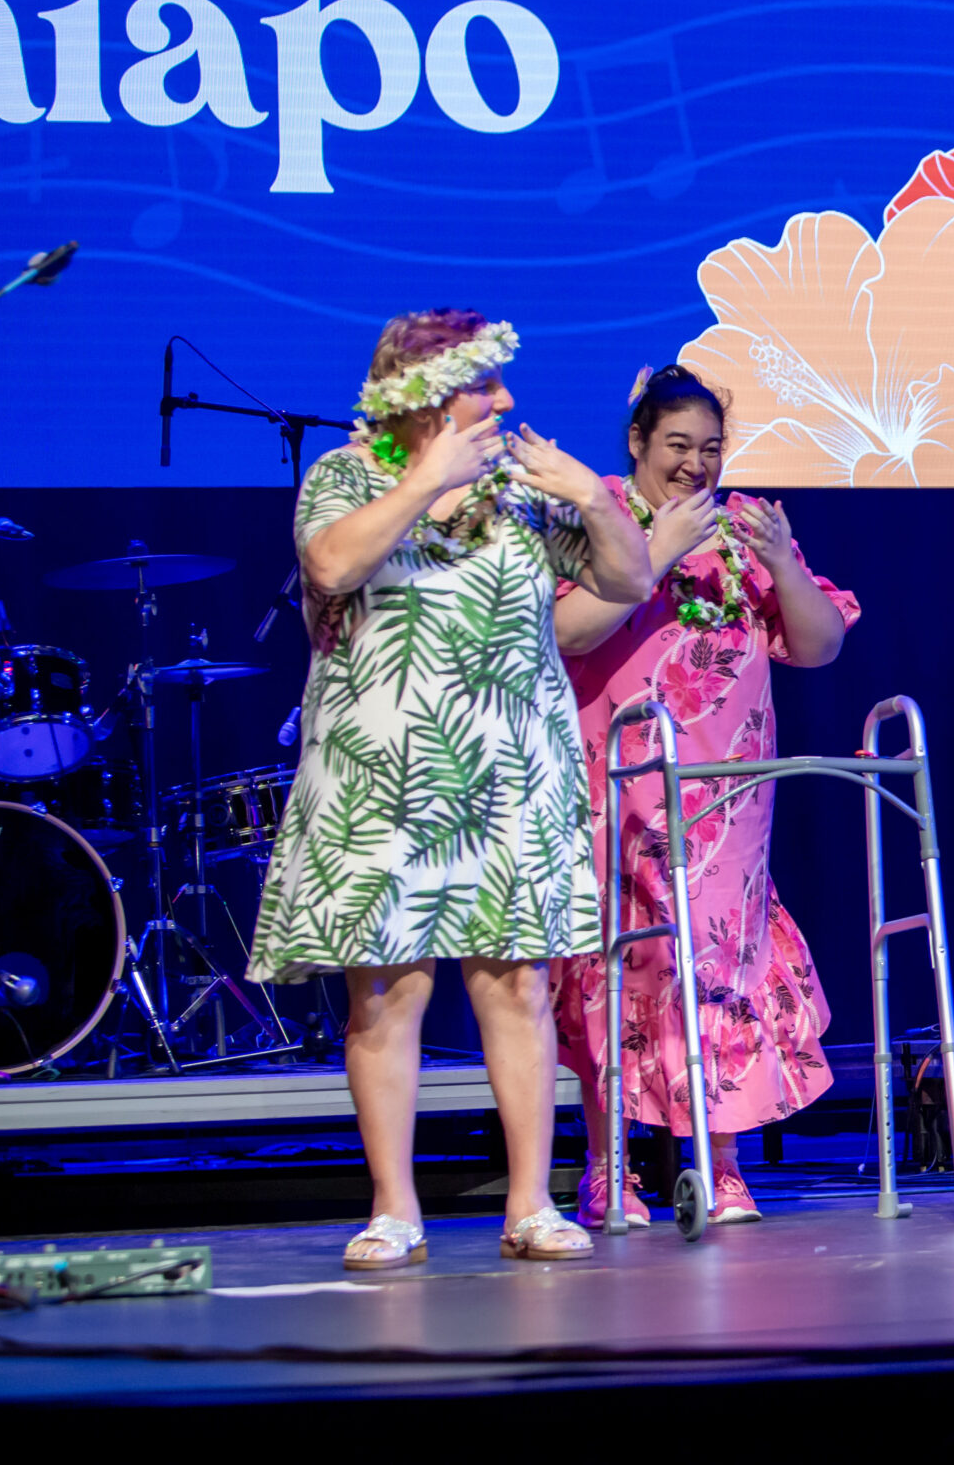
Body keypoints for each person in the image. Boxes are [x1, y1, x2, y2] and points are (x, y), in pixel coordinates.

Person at [246, 308, 653, 1268]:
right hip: (381, 776)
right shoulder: (346, 475)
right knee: (387, 992)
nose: (505, 400)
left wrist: (592, 498)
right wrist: (426, 479)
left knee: (518, 983)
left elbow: (631, 580)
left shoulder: (519, 491)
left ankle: (530, 1203)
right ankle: (394, 1208)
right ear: (426, 394)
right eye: (484, 384)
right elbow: (330, 563)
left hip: (510, 771)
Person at [552, 366, 859, 1228]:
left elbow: (818, 644)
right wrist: (654, 551)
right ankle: (608, 1164)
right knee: (616, 963)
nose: (696, 464)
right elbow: (564, 631)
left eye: (711, 448)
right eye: (678, 445)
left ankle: (720, 1164)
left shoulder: (741, 527)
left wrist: (781, 563)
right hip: (618, 780)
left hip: (726, 795)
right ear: (637, 442)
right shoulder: (598, 515)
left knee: (719, 962)